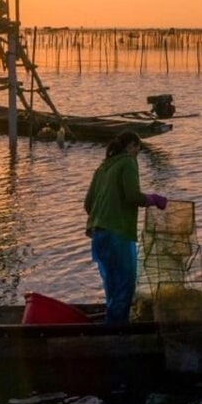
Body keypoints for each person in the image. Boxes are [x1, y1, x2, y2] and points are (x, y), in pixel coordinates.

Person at [84, 131, 167, 325]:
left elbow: (88, 204)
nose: (137, 153)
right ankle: (117, 332)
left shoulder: (103, 167)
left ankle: (111, 325)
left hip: (98, 234)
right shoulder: (128, 162)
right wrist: (152, 199)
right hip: (118, 233)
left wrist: (103, 216)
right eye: (137, 148)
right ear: (131, 146)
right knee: (125, 283)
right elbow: (132, 196)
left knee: (111, 284)